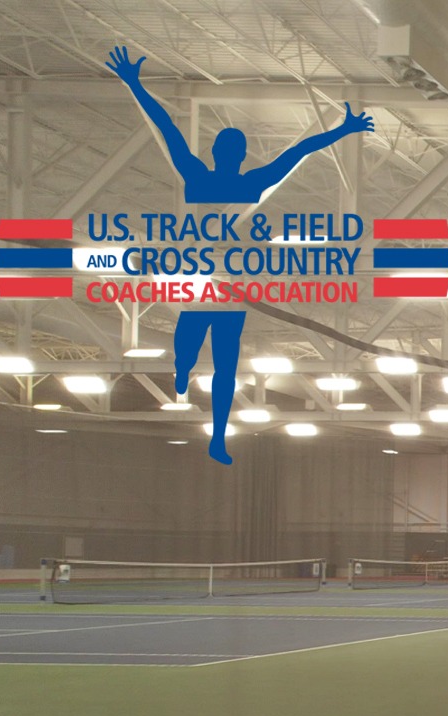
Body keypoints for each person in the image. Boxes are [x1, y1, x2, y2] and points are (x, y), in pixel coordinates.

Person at [106, 46, 373, 463]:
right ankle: (185, 377)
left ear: (223, 155)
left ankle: (217, 435)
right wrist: (343, 129)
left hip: (221, 284)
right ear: (234, 156)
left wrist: (136, 84)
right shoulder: (237, 181)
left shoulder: (205, 175)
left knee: (220, 362)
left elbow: (166, 126)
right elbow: (298, 151)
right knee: (200, 354)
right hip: (210, 281)